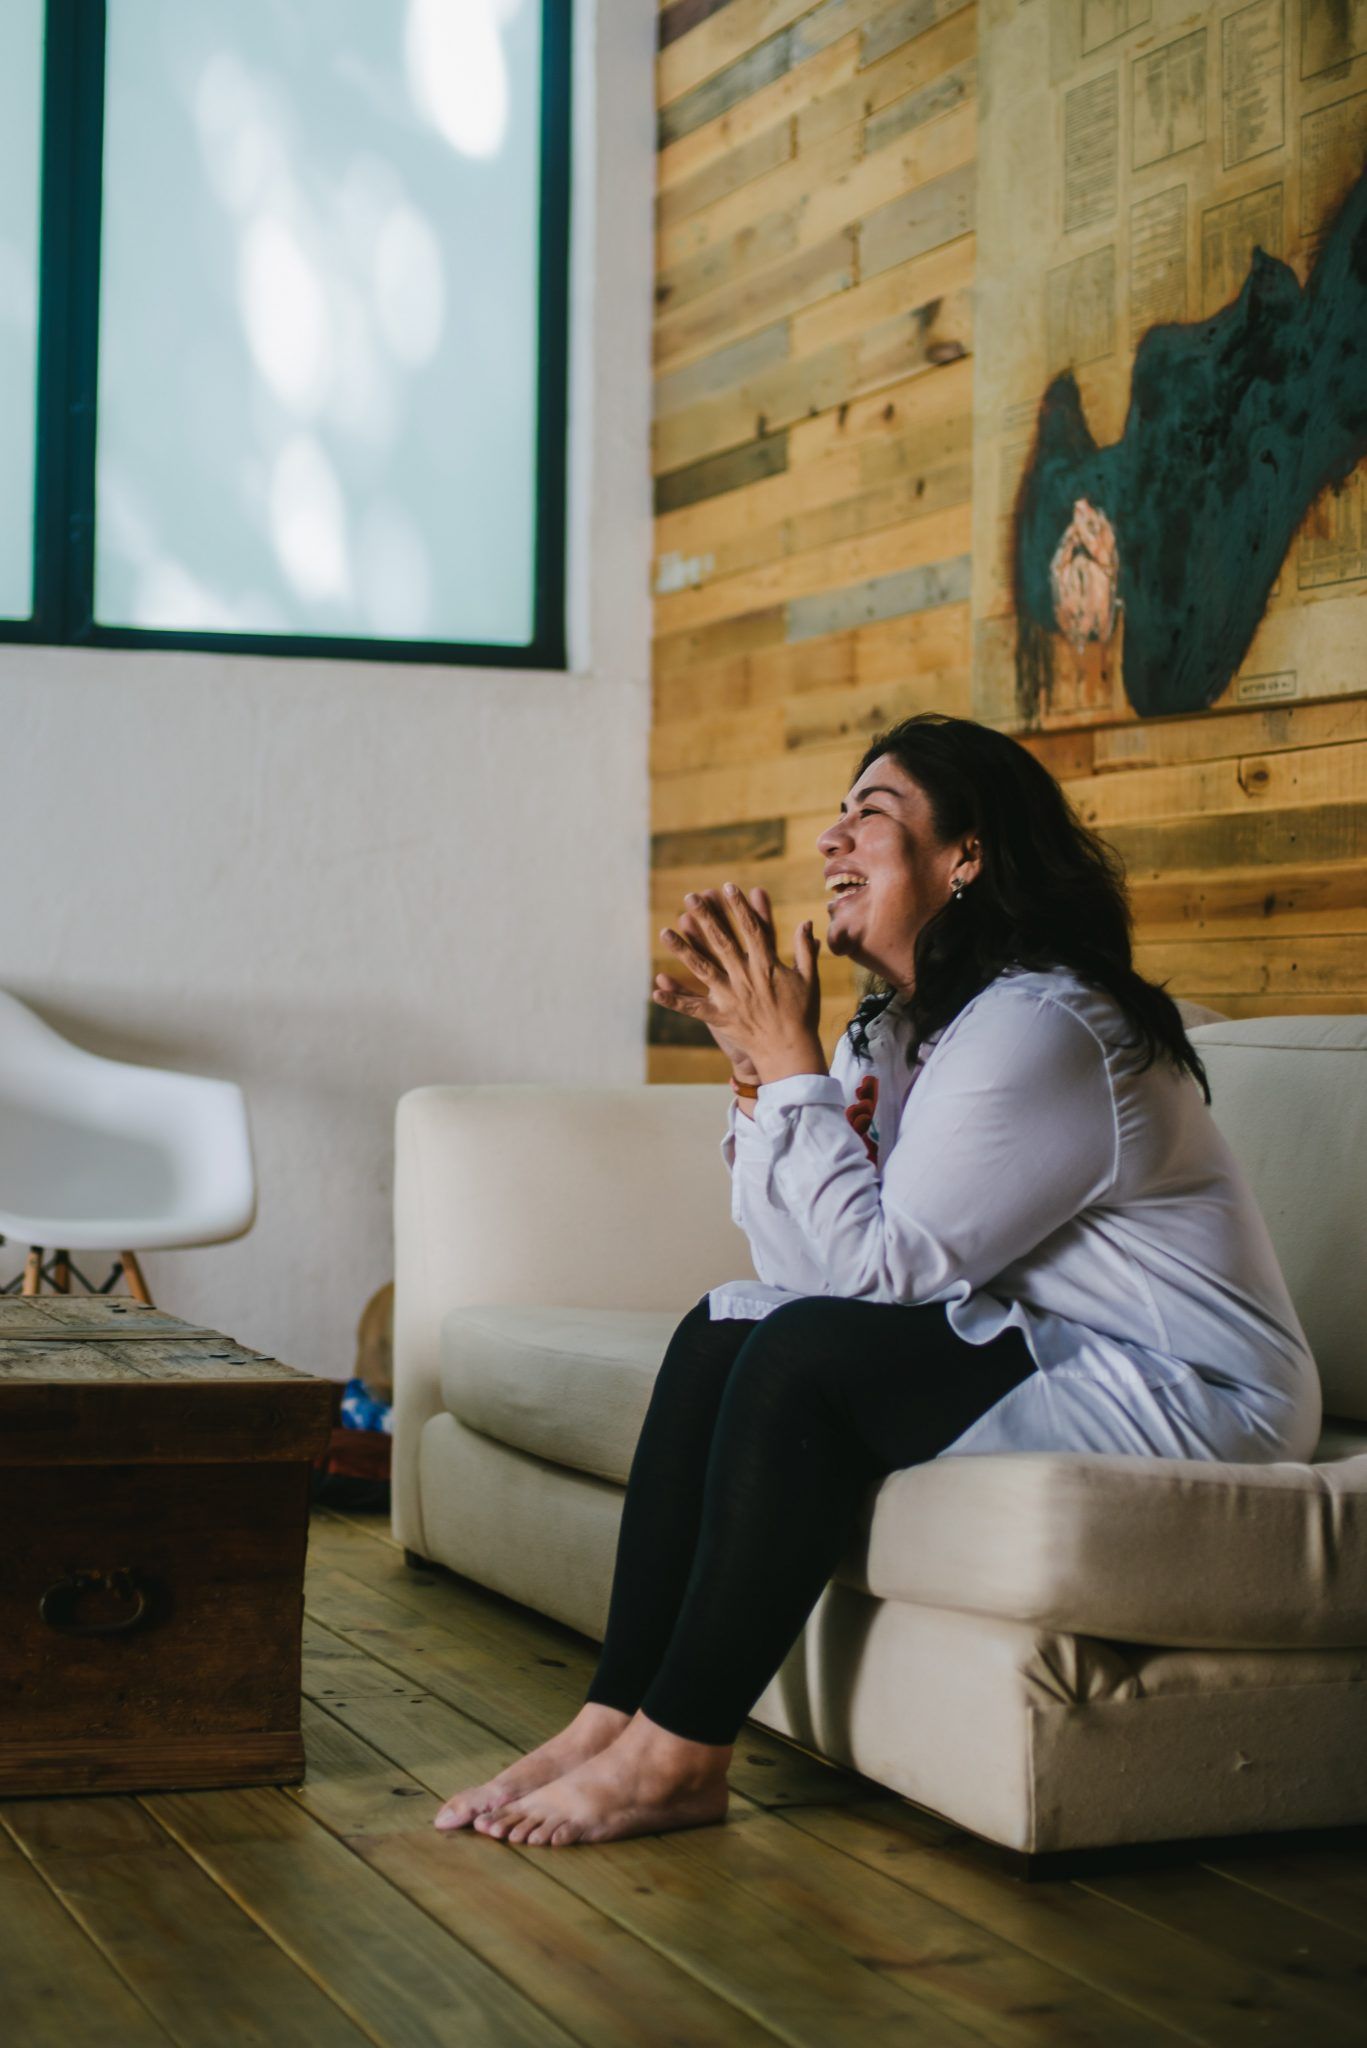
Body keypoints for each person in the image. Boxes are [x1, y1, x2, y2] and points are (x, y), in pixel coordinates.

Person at [433, 712, 1321, 1850]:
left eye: (872, 816)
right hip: (1034, 1336)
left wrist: (794, 1066)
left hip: (1190, 1388)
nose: (829, 839)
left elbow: (873, 1277)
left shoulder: (1043, 1022)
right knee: (723, 1329)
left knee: (798, 1355)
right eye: (836, 814)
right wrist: (763, 1080)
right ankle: (611, 1716)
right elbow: (796, 1269)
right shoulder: (898, 1030)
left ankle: (679, 1752)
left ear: (966, 855)